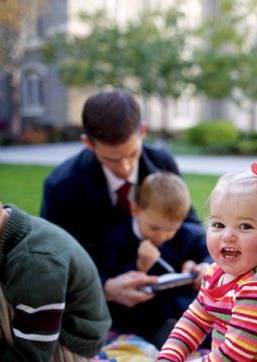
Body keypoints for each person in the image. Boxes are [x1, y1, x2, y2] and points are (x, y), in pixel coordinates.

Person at [40, 89, 203, 310]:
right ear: (88, 143)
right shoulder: (62, 186)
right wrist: (105, 288)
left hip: (168, 294)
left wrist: (203, 264)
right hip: (97, 304)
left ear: (142, 132)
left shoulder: (160, 162)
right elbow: (52, 262)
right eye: (111, 159)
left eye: (132, 154)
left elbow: (189, 223)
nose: (125, 169)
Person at [157, 163, 257, 361]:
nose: (228, 236)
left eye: (245, 226)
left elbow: (234, 355)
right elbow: (195, 319)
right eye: (219, 225)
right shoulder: (216, 273)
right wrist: (169, 356)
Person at [0, 185, 111, 361]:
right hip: (39, 332)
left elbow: (33, 355)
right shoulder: (5, 230)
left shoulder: (36, 261)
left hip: (65, 346)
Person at [103, 172, 212, 348]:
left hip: (183, 306)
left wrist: (205, 265)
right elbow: (111, 274)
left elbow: (208, 249)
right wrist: (140, 266)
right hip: (142, 314)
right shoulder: (118, 238)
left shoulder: (186, 234)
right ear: (135, 210)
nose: (161, 236)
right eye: (154, 228)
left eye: (170, 229)